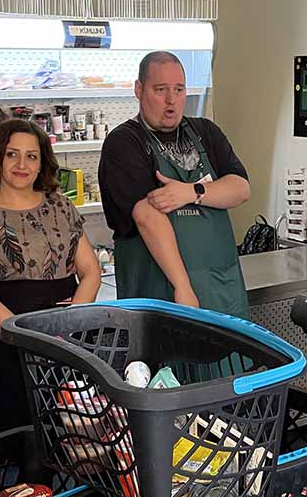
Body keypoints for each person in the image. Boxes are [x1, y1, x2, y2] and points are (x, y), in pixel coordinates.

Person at [0, 119, 101, 437]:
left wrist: (71, 324)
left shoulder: (60, 206)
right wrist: (24, 337)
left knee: (73, 432)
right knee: (15, 439)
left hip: (67, 337)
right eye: (12, 155)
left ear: (42, 164)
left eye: (32, 156)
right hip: (6, 339)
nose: (22, 164)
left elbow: (90, 270)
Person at [98, 51, 251, 317]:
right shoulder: (124, 143)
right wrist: (182, 285)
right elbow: (147, 216)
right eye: (160, 90)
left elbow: (240, 188)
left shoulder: (206, 132)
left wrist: (190, 192)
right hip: (161, 291)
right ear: (139, 89)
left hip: (220, 289)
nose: (171, 100)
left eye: (178, 89)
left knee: (227, 354)